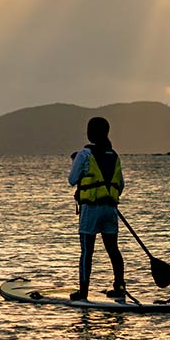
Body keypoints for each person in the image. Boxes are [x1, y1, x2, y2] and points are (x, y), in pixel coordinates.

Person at [68, 117, 125, 301]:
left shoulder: (84, 154)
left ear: (90, 133)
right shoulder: (114, 155)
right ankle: (119, 287)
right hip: (110, 210)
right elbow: (120, 185)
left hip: (91, 209)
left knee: (87, 250)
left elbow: (72, 179)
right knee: (113, 250)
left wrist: (76, 160)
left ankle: (83, 292)